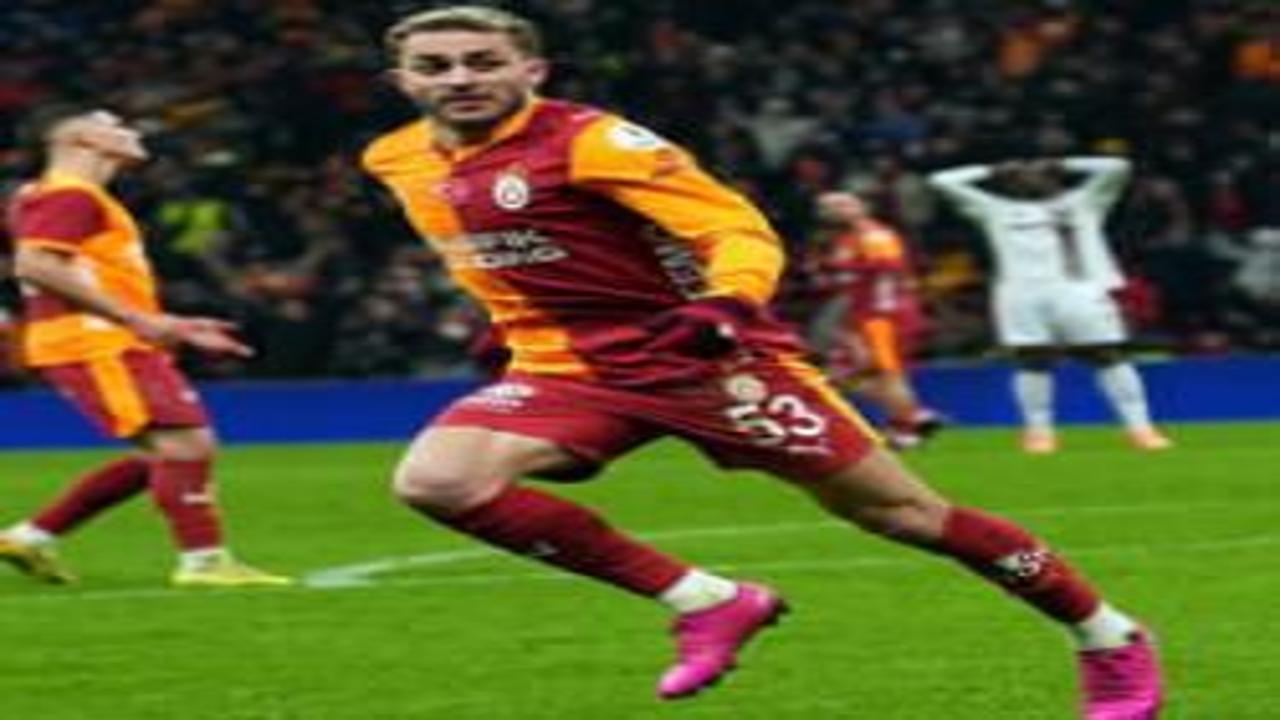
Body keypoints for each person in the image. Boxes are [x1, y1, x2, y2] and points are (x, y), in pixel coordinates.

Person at [363, 7, 1163, 716]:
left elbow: (734, 227)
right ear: (402, 80)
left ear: (532, 70)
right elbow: (494, 249)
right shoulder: (396, 158)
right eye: (435, 66)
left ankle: (1107, 635)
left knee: (905, 516)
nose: (460, 78)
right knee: (439, 481)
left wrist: (728, 304)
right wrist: (506, 320)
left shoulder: (594, 142)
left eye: (483, 61)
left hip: (706, 357)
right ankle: (709, 601)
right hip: (567, 367)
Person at [0, 105, 292, 588]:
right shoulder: (71, 195)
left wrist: (165, 322)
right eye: (115, 126)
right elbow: (36, 265)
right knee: (186, 445)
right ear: (83, 141)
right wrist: (137, 320)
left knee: (167, 453)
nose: (131, 131)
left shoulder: (53, 195)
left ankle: (31, 537)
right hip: (95, 340)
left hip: (100, 337)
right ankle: (203, 562)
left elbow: (70, 271)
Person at [928, 157, 1174, 454]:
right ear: (1009, 184)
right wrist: (991, 170)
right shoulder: (995, 209)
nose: (1030, 176)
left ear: (1053, 177)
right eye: (1021, 174)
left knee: (1106, 355)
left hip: (1079, 290)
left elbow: (1118, 166)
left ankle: (1141, 429)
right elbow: (940, 181)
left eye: (1038, 172)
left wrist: (1064, 163)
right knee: (1032, 360)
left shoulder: (1084, 201)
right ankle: (1039, 434)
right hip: (1021, 295)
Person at [808, 190, 945, 450]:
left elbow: (887, 265)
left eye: (842, 204)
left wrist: (835, 268)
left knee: (887, 374)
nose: (834, 210)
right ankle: (913, 418)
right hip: (862, 315)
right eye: (827, 207)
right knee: (847, 374)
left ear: (862, 206)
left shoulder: (874, 234)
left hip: (884, 315)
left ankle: (908, 425)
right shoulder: (844, 240)